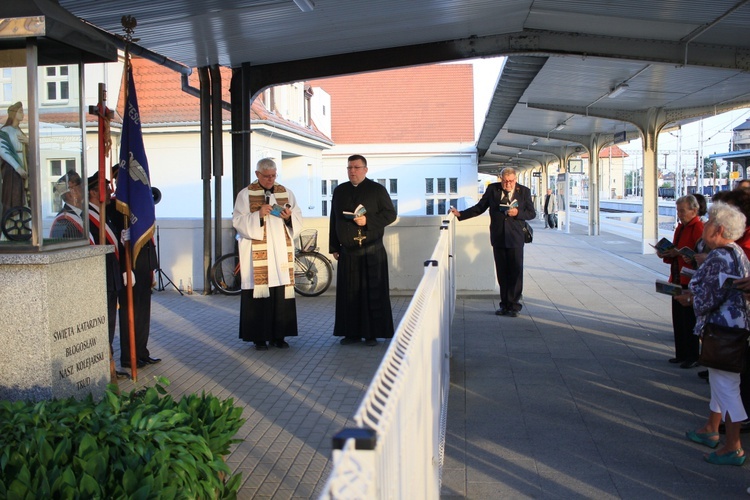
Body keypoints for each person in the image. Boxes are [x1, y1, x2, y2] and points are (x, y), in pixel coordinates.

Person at [684, 201, 750, 465]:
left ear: (719, 229)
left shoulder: (719, 257)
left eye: (709, 221)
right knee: (720, 383)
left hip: (721, 332)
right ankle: (711, 429)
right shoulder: (736, 252)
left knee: (727, 387)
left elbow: (708, 297)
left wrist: (689, 299)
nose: (705, 225)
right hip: (734, 329)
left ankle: (733, 446)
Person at [233, 158, 303, 350]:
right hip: (258, 256)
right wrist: (258, 215)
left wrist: (289, 219)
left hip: (280, 252)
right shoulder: (245, 194)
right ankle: (259, 338)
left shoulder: (286, 193)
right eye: (266, 176)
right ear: (257, 175)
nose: (270, 179)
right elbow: (238, 221)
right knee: (260, 297)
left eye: (273, 176)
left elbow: (298, 217)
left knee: (280, 294)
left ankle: (279, 336)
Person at [329, 154, 397, 346]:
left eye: (357, 167)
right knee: (349, 294)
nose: (352, 171)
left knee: (372, 292)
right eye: (349, 168)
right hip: (348, 252)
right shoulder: (340, 191)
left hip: (372, 251)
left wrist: (368, 221)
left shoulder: (377, 190)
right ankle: (350, 333)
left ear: (365, 169)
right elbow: (334, 219)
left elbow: (391, 214)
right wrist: (334, 246)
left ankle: (371, 333)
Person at [449, 167, 535, 317]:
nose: (508, 184)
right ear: (500, 179)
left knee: (515, 272)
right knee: (502, 273)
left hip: (515, 237)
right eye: (505, 181)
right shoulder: (492, 189)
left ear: (515, 180)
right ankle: (504, 305)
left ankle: (514, 306)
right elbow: (480, 207)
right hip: (499, 236)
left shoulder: (524, 191)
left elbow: (532, 213)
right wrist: (460, 214)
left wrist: (518, 213)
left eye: (511, 181)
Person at [87, 171, 127, 380]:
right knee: (103, 324)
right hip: (100, 279)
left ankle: (109, 365)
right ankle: (103, 369)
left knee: (110, 324)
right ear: (94, 192)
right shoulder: (87, 218)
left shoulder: (105, 215)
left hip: (112, 278)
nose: (111, 192)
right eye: (106, 189)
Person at [656, 195, 703, 368]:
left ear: (694, 210)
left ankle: (692, 355)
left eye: (682, 211)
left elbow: (697, 255)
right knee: (678, 318)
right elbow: (676, 250)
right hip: (677, 277)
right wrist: (666, 253)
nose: (680, 214)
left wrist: (679, 253)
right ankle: (681, 353)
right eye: (678, 211)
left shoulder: (698, 227)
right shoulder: (681, 227)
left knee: (689, 319)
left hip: (689, 279)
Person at [0, 102, 29, 217]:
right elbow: (3, 150)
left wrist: (29, 143)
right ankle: (12, 224)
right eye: (20, 112)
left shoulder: (19, 131)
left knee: (22, 196)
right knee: (13, 196)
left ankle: (22, 225)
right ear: (13, 114)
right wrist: (17, 168)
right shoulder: (5, 131)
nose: (23, 114)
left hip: (23, 167)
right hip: (12, 170)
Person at [49, 171, 85, 239]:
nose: (84, 189)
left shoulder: (81, 215)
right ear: (69, 195)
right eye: (79, 186)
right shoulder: (63, 222)